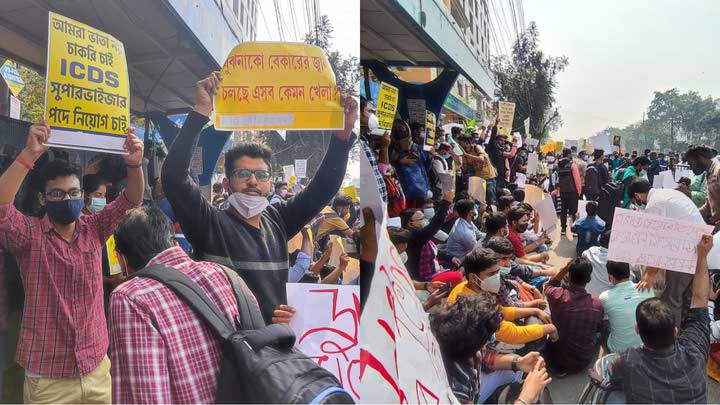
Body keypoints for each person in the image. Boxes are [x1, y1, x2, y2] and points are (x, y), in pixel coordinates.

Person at [161, 72, 357, 323]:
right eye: (243, 173)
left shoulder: (279, 220)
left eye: (261, 175)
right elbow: (174, 177)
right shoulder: (208, 224)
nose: (253, 181)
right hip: (225, 354)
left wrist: (342, 137)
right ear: (227, 182)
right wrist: (200, 111)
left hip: (272, 352)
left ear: (269, 182)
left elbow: (323, 189)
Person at [0, 121, 144, 403]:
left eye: (73, 193)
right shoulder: (28, 235)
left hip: (96, 369)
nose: (67, 198)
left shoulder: (94, 228)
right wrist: (28, 155)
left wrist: (135, 166)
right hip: (48, 378)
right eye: (57, 193)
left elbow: (132, 199)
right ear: (43, 198)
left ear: (82, 195)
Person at [108, 205, 249, 403]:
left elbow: (145, 397)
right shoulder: (221, 273)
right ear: (173, 242)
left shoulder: (130, 297)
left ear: (121, 258)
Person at [608, 235, 713, 404]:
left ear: (637, 330)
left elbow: (613, 374)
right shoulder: (695, 351)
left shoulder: (627, 360)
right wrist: (702, 257)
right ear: (675, 331)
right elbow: (700, 299)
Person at [432, 294, 552, 405]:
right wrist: (525, 398)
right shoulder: (455, 391)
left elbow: (484, 358)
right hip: (469, 394)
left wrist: (519, 362)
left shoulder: (462, 344)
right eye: (491, 337)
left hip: (475, 387)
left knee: (516, 371)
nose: (493, 340)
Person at [630, 178, 706, 326]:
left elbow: (657, 244)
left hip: (685, 251)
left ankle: (672, 338)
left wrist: (649, 274)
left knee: (672, 298)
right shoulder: (668, 193)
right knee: (688, 296)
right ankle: (686, 330)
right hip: (700, 246)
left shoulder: (654, 205)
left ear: (638, 195)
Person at [446, 248, 559, 346]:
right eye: (491, 274)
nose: (497, 277)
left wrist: (534, 310)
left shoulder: (468, 287)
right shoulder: (475, 306)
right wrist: (550, 328)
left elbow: (500, 311)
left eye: (498, 272)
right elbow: (514, 334)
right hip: (476, 352)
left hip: (475, 340)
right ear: (473, 278)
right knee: (536, 334)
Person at [543, 258, 603, 375]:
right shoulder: (596, 304)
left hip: (556, 362)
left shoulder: (556, 295)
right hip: (582, 362)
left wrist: (565, 269)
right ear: (589, 279)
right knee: (600, 332)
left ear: (569, 277)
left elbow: (549, 284)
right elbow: (598, 328)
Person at [400, 191, 463, 286]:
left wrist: (450, 258)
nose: (425, 221)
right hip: (426, 280)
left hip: (436, 269)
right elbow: (434, 226)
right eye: (421, 219)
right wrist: (446, 202)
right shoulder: (413, 237)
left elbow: (433, 251)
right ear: (410, 224)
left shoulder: (422, 235)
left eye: (424, 218)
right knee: (459, 275)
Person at [599, 260, 655, 353]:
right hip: (645, 346)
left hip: (617, 350)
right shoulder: (647, 289)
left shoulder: (604, 297)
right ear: (629, 273)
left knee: (604, 320)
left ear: (610, 277)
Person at [390, 119, 431, 207]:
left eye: (410, 138)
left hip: (422, 191)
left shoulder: (417, 148)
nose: (409, 142)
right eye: (405, 141)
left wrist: (430, 158)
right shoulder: (392, 151)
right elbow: (387, 169)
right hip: (405, 194)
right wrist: (399, 162)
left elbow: (425, 169)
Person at [685, 144, 720, 231]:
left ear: (700, 158)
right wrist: (689, 216)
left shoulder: (718, 171)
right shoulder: (708, 174)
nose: (690, 167)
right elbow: (708, 206)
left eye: (691, 163)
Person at [458, 135, 498, 204]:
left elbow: (481, 159)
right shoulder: (464, 154)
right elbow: (464, 168)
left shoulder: (477, 148)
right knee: (479, 200)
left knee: (491, 199)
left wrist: (466, 155)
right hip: (478, 179)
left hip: (489, 177)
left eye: (460, 143)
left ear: (467, 142)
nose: (459, 145)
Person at [556, 148, 582, 236]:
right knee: (574, 210)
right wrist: (579, 191)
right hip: (572, 191)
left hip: (563, 191)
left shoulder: (558, 164)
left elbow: (557, 178)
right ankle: (574, 230)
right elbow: (577, 179)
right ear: (569, 154)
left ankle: (563, 229)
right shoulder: (572, 165)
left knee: (563, 210)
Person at [583, 230, 613, 297]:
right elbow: (636, 267)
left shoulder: (591, 250)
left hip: (588, 293)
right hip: (606, 297)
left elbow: (583, 255)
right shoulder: (620, 258)